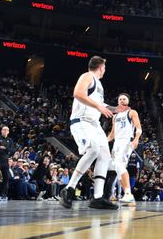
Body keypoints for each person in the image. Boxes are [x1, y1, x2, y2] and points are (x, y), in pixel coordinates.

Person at [59, 56, 126, 210]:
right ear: (101, 67)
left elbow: (101, 105)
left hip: (94, 125)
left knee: (105, 156)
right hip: (82, 121)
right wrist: (99, 107)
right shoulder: (87, 76)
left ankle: (97, 197)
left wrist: (116, 109)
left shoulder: (99, 85)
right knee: (94, 149)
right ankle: (69, 188)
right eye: (105, 68)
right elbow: (77, 93)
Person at [108, 93, 142, 205]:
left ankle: (128, 193)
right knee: (117, 169)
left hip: (127, 141)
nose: (122, 100)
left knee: (120, 164)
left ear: (127, 101)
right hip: (117, 142)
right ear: (118, 102)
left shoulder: (132, 112)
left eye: (124, 99)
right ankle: (128, 195)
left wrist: (136, 139)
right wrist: (103, 141)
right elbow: (112, 134)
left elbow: (138, 128)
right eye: (120, 99)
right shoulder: (115, 116)